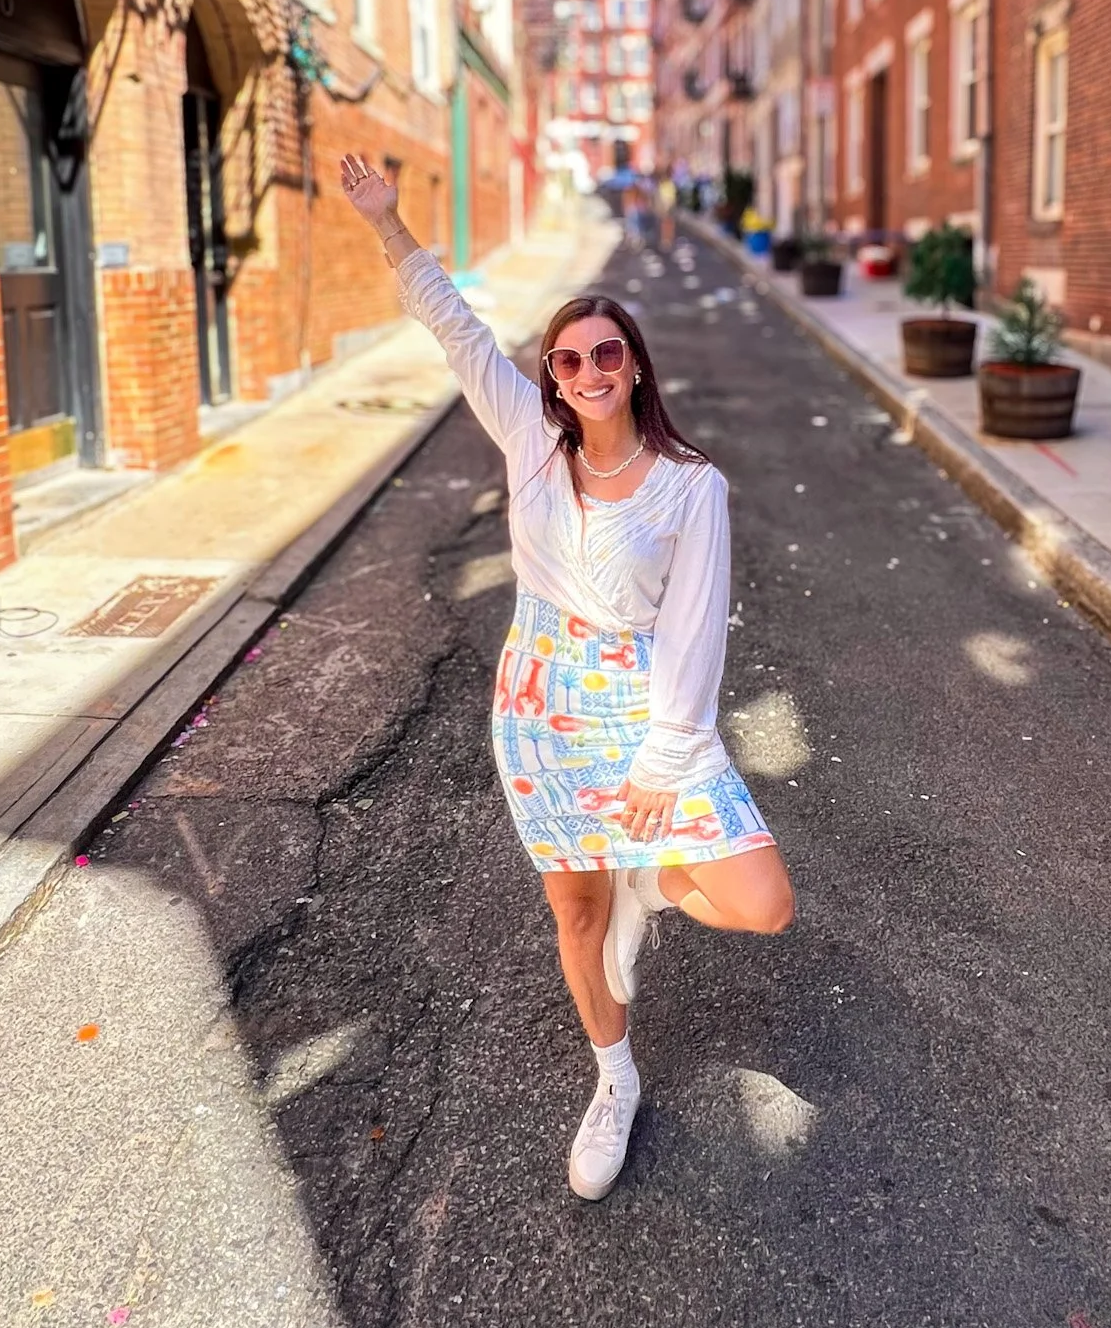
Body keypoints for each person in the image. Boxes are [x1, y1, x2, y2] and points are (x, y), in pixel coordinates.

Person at [339, 154, 794, 1201]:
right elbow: (453, 324)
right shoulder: (530, 444)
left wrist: (666, 754)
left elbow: (694, 632)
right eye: (567, 359)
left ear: (633, 366)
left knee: (759, 897)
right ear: (551, 377)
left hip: (643, 706)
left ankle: (651, 874)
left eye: (605, 352)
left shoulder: (691, 487)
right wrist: (389, 223)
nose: (585, 370)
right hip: (539, 706)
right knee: (577, 918)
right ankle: (614, 1077)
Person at [655, 168, 679, 253]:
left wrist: (668, 204)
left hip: (669, 206)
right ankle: (666, 240)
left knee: (669, 224)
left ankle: (668, 240)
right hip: (665, 206)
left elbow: (672, 196)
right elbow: (660, 196)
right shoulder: (664, 185)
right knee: (665, 224)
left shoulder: (669, 184)